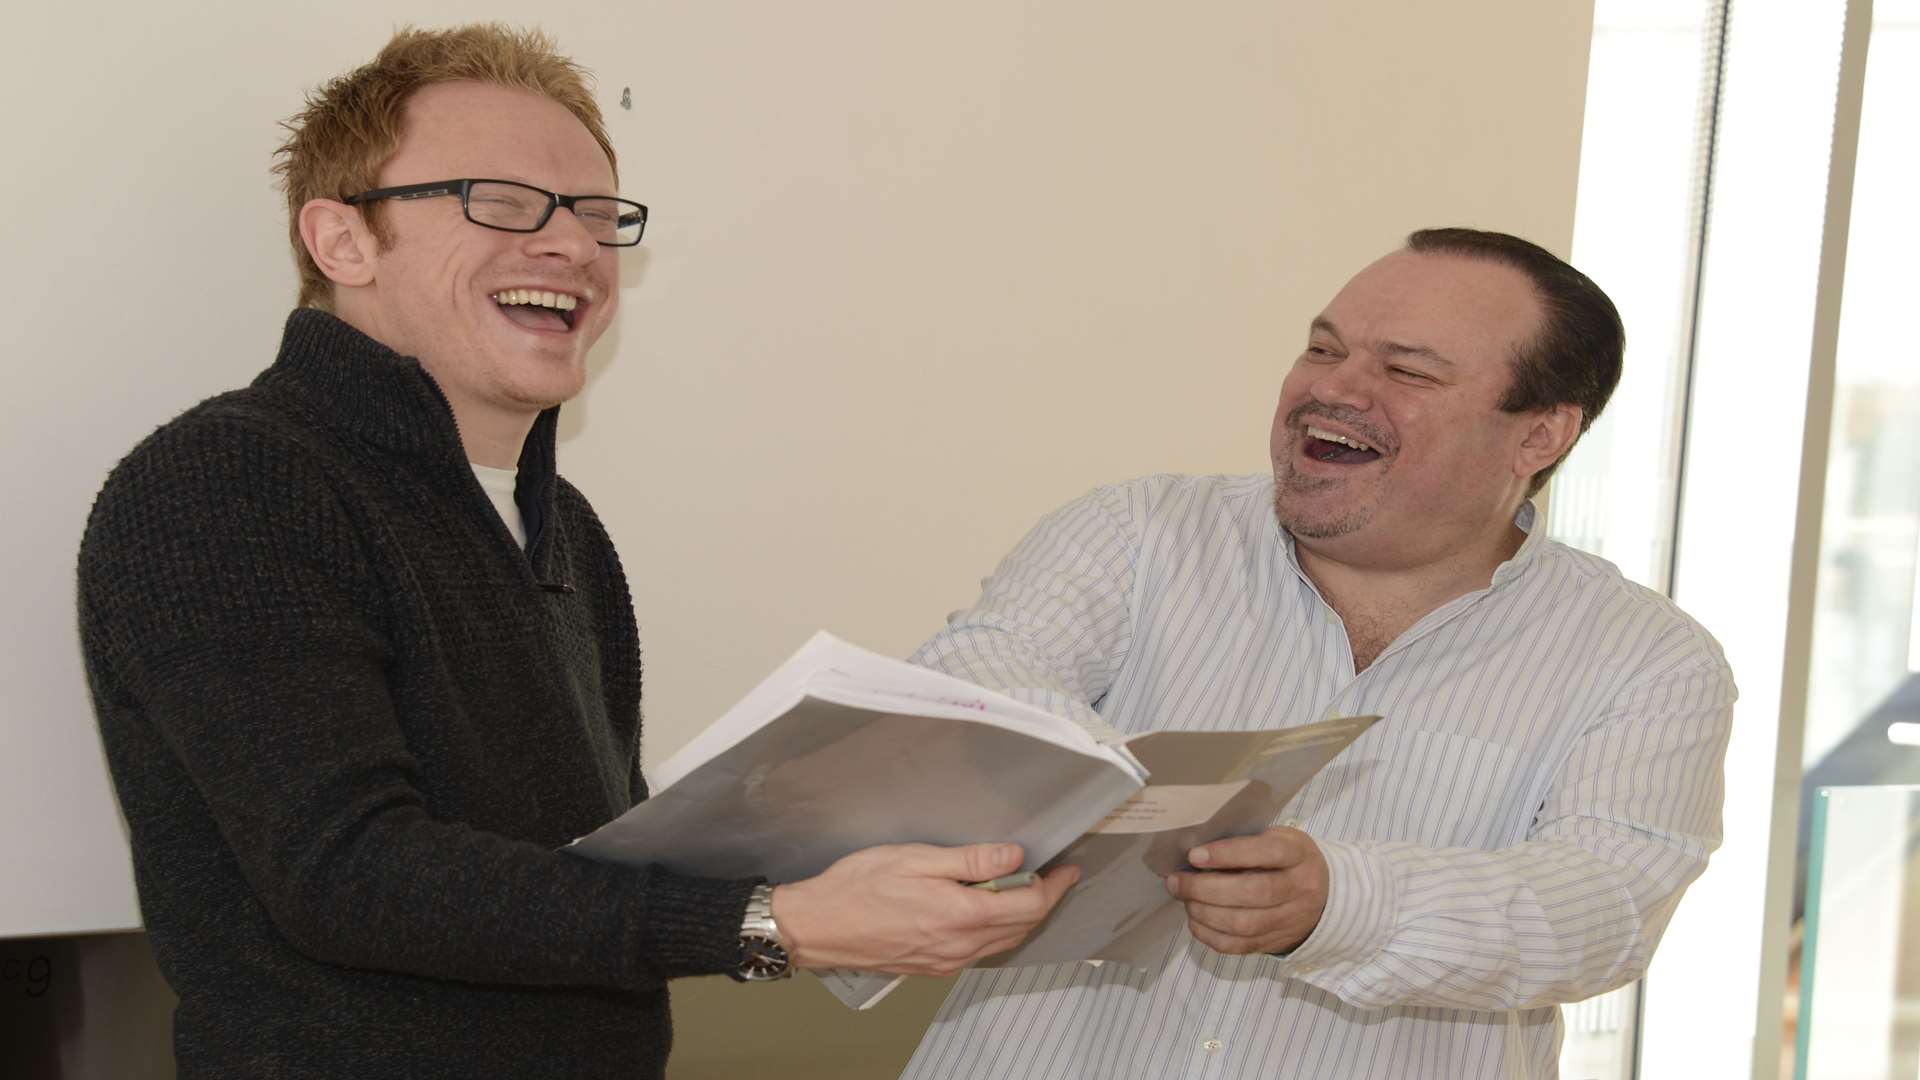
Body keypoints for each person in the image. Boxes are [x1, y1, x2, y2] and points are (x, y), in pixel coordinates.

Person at [74, 24, 1072, 1080]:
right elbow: (347, 873)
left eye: (599, 217)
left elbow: (565, 887)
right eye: (501, 202)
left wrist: (860, 857)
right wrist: (772, 922)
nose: (573, 247)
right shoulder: (227, 482)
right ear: (343, 241)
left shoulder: (567, 528)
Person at [900, 228, 1736, 1079]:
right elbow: (968, 684)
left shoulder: (1650, 662)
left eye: (1406, 371)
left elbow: (1601, 914)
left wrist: (1341, 903)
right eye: (1322, 348)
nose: (1332, 388)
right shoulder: (1139, 534)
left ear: (1539, 436)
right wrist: (1148, 801)